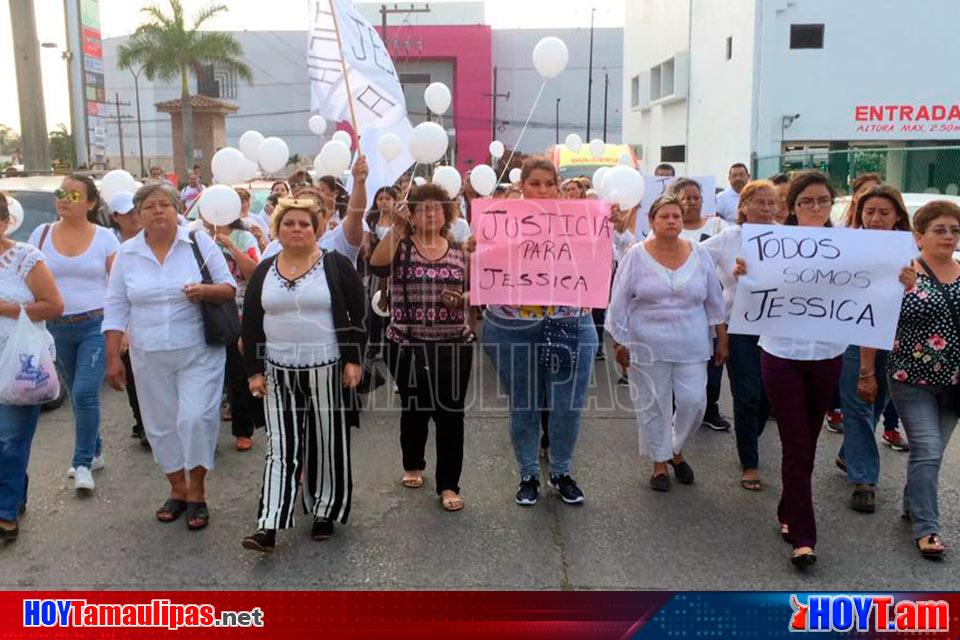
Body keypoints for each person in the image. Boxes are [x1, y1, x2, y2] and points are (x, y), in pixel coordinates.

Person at [103, 182, 237, 531]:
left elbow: (228, 288)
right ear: (138, 215)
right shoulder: (127, 254)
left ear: (178, 209)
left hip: (198, 351)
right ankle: (177, 489)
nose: (158, 211)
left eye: (165, 204)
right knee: (161, 426)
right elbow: (116, 306)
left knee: (195, 420)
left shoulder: (197, 243)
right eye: (149, 206)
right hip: (149, 356)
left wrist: (204, 291)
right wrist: (113, 357)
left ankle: (198, 492)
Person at [240, 197, 365, 552]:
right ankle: (269, 523)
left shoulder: (336, 265)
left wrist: (354, 360)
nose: (296, 229)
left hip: (327, 368)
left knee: (328, 442)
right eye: (288, 223)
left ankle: (325, 509)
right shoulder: (265, 269)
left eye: (304, 224)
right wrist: (253, 371)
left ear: (317, 229)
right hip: (278, 371)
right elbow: (250, 323)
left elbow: (358, 316)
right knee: (280, 447)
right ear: (277, 229)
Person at [481, 157, 597, 506]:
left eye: (550, 183)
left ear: (558, 185)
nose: (543, 190)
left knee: (567, 405)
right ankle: (528, 473)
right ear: (521, 185)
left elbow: (600, 261)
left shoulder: (580, 221)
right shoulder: (499, 220)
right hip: (512, 325)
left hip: (569, 322)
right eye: (535, 183)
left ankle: (561, 471)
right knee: (524, 403)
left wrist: (613, 228)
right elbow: (483, 260)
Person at [745, 170, 844, 568]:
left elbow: (875, 289)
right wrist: (743, 275)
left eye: (823, 201)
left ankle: (788, 507)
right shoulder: (771, 246)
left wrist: (899, 280)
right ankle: (804, 536)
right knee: (796, 441)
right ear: (793, 207)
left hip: (827, 353)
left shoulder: (851, 247)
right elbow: (750, 291)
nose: (816, 208)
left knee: (808, 440)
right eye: (807, 202)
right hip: (781, 352)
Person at [607, 193, 726, 492]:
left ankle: (674, 447)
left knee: (693, 402)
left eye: (676, 216)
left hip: (692, 342)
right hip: (646, 343)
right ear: (652, 221)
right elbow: (619, 301)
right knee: (652, 404)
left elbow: (714, 300)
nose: (672, 220)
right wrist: (619, 343)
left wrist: (722, 338)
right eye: (665, 216)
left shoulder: (699, 253)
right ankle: (660, 463)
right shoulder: (636, 254)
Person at [29, 174, 119, 493]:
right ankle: (95, 450)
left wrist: (123, 333)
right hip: (55, 328)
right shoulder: (40, 234)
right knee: (76, 393)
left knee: (82, 393)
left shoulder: (106, 238)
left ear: (91, 203)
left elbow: (119, 286)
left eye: (74, 196)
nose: (64, 199)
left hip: (95, 324)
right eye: (60, 193)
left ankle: (81, 463)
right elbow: (26, 276)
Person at [833, 185, 915, 514]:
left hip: (896, 338)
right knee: (858, 400)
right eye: (869, 212)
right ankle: (865, 479)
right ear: (860, 213)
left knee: (880, 399)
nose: (876, 218)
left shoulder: (914, 246)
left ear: (897, 214)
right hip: (855, 334)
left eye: (883, 212)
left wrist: (914, 281)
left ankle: (848, 452)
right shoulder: (847, 245)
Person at [887, 200, 960, 559]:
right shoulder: (902, 274)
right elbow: (874, 319)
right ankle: (927, 528)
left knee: (929, 453)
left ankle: (912, 502)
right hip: (910, 379)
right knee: (928, 450)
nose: (948, 236)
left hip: (956, 384)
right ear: (919, 237)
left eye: (954, 230)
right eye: (939, 230)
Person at [702, 180, 779, 490]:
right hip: (740, 325)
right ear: (743, 206)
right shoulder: (727, 238)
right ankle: (750, 463)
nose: (765, 208)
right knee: (747, 395)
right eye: (759, 202)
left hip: (778, 327)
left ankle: (749, 437)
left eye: (771, 203)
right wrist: (728, 277)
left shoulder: (789, 237)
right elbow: (691, 258)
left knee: (768, 398)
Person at [0, 192, 64, 542]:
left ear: (5, 221)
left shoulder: (24, 257)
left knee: (10, 439)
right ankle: (13, 492)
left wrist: (5, 308)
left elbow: (54, 305)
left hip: (21, 361)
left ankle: (5, 510)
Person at [668, 178, 729, 432]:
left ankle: (710, 407)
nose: (692, 202)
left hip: (712, 306)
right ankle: (676, 410)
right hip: (678, 310)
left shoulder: (719, 226)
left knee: (714, 361)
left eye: (697, 197)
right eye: (686, 198)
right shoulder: (668, 227)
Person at [202, 216, 261, 451]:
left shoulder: (244, 237)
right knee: (206, 378)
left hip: (239, 314)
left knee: (238, 375)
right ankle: (206, 435)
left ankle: (243, 431)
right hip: (208, 313)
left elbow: (253, 273)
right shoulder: (197, 238)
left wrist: (231, 247)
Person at [261, 157, 368, 265]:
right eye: (299, 210)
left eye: (311, 211)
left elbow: (355, 216)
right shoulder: (274, 248)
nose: (304, 218)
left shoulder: (336, 240)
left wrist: (359, 182)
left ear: (323, 214)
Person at [107, 191, 149, 449]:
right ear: (115, 217)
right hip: (125, 319)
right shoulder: (114, 245)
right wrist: (120, 332)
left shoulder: (155, 238)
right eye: (128, 213)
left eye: (136, 211)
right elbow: (114, 295)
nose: (134, 217)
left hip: (149, 322)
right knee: (133, 375)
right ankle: (143, 423)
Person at [235, 188, 268, 252]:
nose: (241, 205)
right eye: (239, 202)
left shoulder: (257, 219)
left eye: (243, 202)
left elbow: (267, 241)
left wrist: (260, 238)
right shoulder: (229, 221)